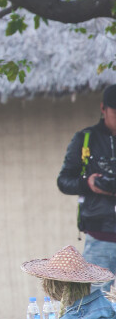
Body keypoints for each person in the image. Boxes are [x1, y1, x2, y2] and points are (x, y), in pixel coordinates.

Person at [57, 84, 116, 291]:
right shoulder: (85, 138)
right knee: (96, 302)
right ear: (103, 109)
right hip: (100, 236)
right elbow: (63, 181)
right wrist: (88, 183)